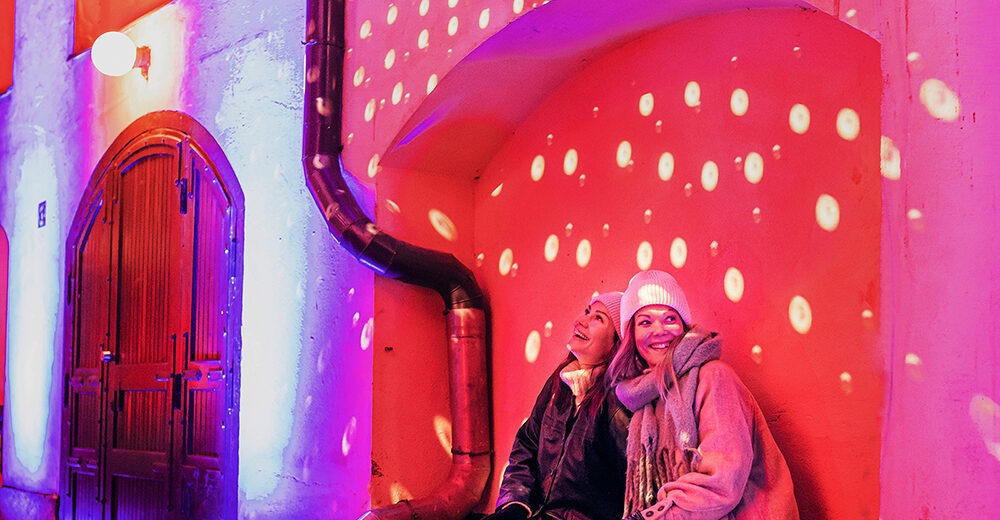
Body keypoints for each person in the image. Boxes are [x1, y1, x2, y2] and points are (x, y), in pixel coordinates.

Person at [608, 270, 799, 520]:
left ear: (684, 325)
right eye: (645, 322)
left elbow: (722, 481)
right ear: (631, 334)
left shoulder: (714, 377)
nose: (660, 330)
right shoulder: (645, 399)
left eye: (670, 318)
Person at [485, 292, 631, 520]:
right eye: (587, 312)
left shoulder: (618, 404)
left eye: (598, 318)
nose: (581, 321)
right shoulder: (559, 383)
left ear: (617, 344)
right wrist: (515, 505)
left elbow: (630, 490)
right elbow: (526, 445)